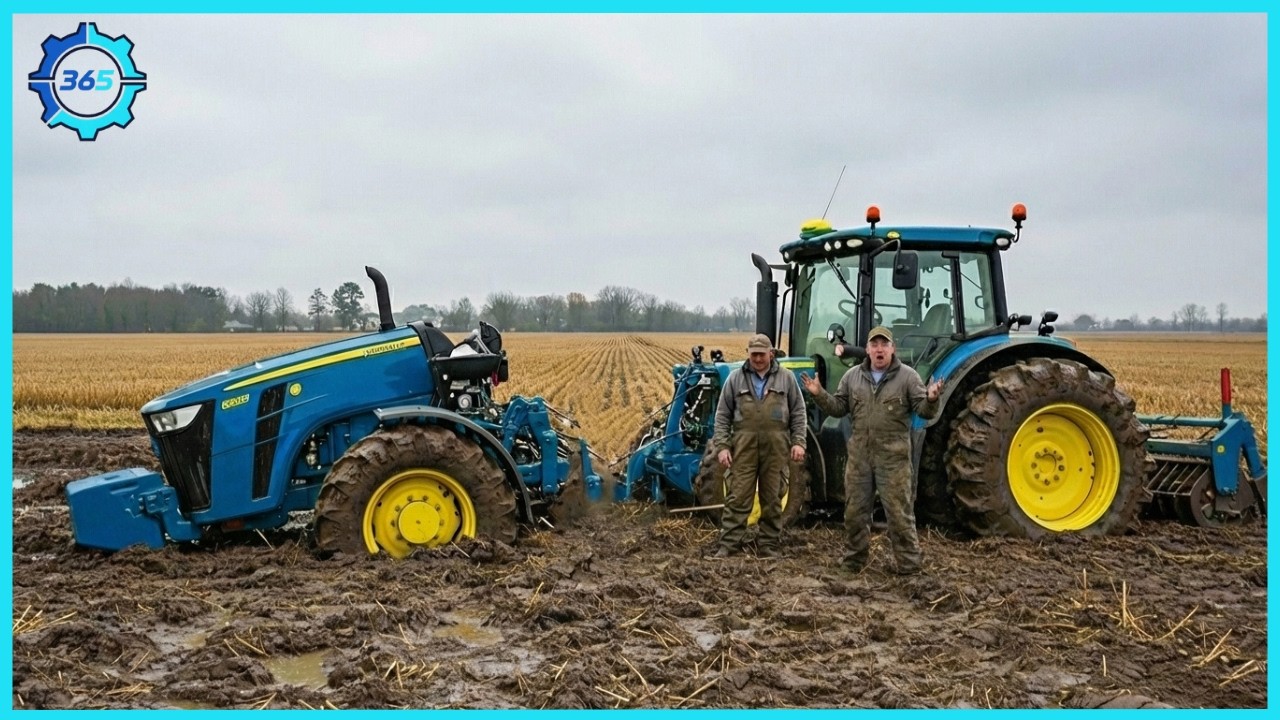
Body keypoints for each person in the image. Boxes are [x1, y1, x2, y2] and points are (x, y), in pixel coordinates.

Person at [800, 326, 943, 575]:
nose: (879, 349)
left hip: (893, 459)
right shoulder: (852, 377)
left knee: (899, 516)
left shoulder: (908, 377)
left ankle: (909, 566)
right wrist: (819, 394)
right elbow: (838, 407)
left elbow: (924, 411)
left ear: (892, 349)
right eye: (874, 345)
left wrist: (931, 398)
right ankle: (854, 561)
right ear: (867, 350)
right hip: (860, 459)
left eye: (884, 345)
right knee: (855, 513)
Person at [709, 333, 807, 559]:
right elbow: (722, 415)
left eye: (762, 354)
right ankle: (729, 545)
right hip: (743, 447)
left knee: (772, 498)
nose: (758, 359)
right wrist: (723, 446)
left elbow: (799, 412)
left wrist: (799, 442)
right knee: (737, 497)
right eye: (753, 355)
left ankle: (768, 546)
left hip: (776, 448)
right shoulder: (735, 379)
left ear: (771, 354)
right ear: (748, 354)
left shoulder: (787, 379)